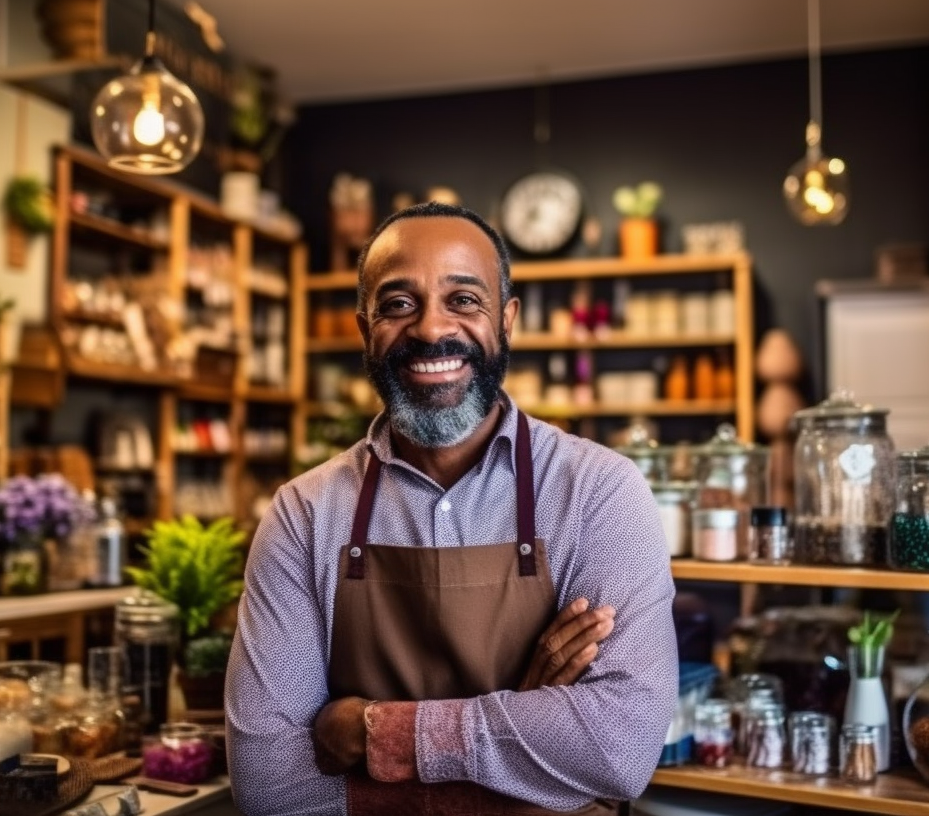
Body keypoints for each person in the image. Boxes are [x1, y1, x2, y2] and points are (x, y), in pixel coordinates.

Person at [226, 201, 678, 815]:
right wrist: (526, 725)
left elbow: (619, 747)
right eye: (398, 304)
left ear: (507, 319)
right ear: (365, 329)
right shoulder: (302, 516)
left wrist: (376, 732)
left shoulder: (599, 493)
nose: (431, 330)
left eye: (464, 299)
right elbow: (271, 786)